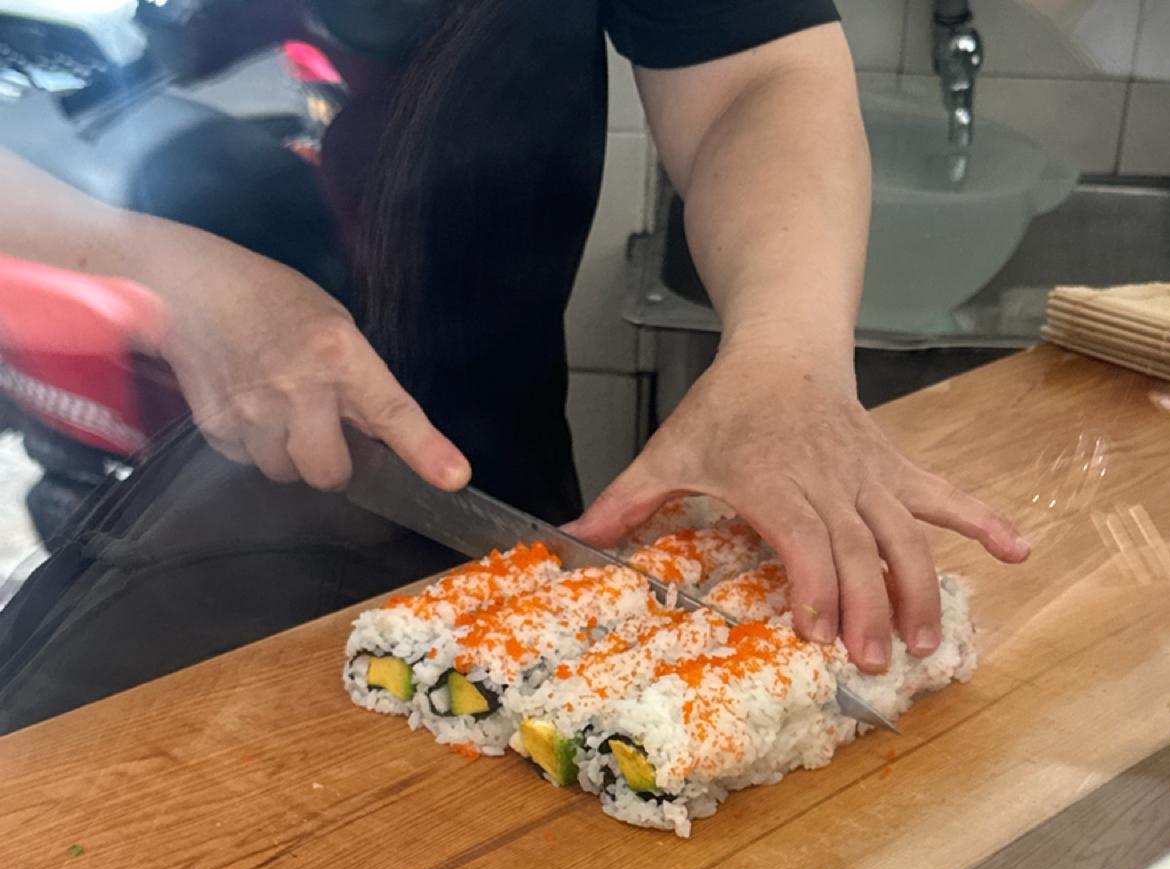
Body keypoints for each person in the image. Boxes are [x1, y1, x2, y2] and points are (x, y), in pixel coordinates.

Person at [0, 0, 1029, 733]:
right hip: (55, 497)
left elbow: (754, 73)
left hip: (470, 523)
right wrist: (143, 270)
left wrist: (786, 350)